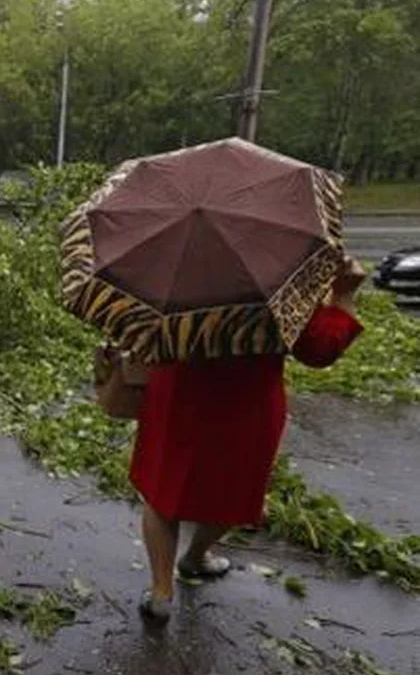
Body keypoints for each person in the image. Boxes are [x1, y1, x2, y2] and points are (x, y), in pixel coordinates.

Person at [132, 257, 367, 625]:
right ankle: (195, 558)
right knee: (233, 493)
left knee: (163, 492)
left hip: (179, 393)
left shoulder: (175, 261)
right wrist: (343, 295)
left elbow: (135, 324)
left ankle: (161, 593)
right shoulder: (280, 268)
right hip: (247, 404)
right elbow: (319, 349)